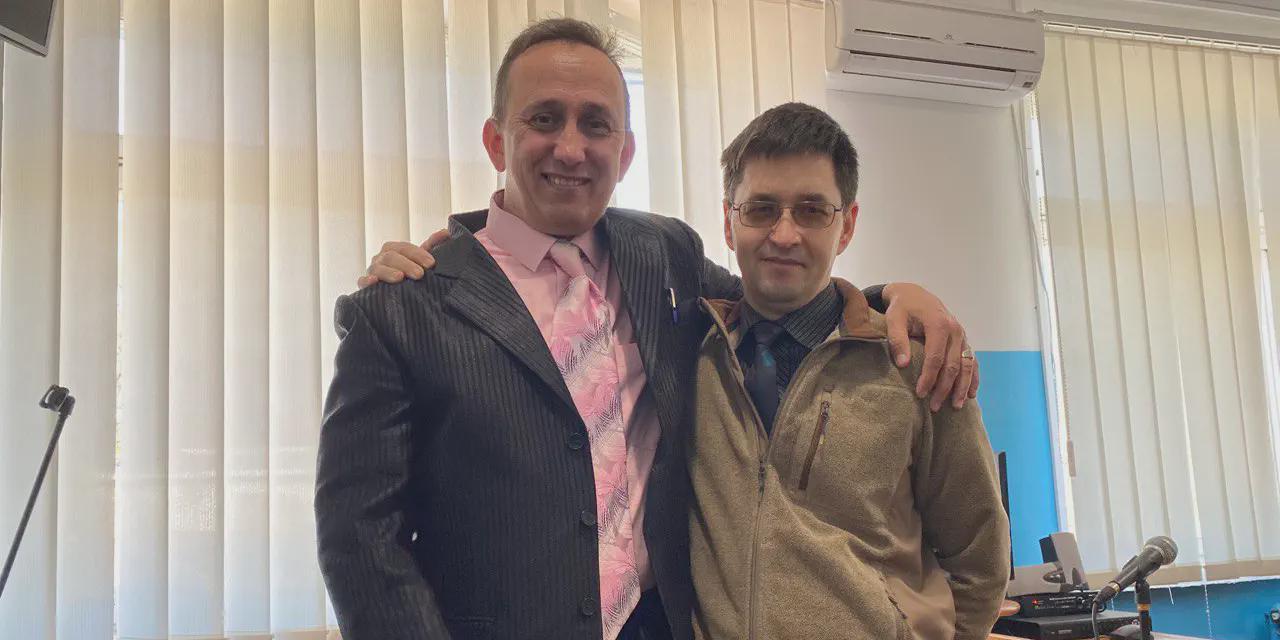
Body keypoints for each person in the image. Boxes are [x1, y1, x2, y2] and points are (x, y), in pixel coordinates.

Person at [316, 17, 977, 640]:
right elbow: (358, 538)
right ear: (496, 141)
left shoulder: (665, 253)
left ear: (625, 150)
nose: (570, 147)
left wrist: (890, 299)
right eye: (544, 118)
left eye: (596, 124)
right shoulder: (403, 308)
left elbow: (780, 302)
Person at [687, 102, 1009, 640]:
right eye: (761, 209)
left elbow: (981, 558)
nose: (784, 234)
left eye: (811, 210)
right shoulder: (694, 357)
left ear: (847, 225)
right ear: (728, 221)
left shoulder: (915, 367)